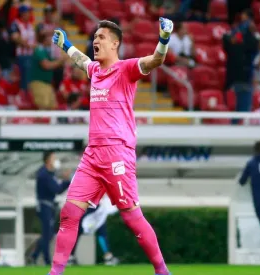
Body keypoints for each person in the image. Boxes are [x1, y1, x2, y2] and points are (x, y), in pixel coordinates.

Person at [47, 18, 174, 275]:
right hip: (92, 154)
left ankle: (162, 271)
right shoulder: (95, 70)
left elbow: (155, 61)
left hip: (118, 152)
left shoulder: (127, 68)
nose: (96, 40)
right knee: (70, 213)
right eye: (94, 37)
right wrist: (67, 45)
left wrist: (163, 39)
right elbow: (82, 61)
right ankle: (55, 272)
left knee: (131, 217)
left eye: (101, 37)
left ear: (115, 44)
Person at [30, 151, 72, 266]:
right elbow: (57, 189)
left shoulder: (48, 173)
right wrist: (66, 180)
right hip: (45, 207)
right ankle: (47, 261)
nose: (55, 160)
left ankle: (34, 256)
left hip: (48, 207)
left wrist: (65, 181)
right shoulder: (44, 175)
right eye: (54, 158)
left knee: (48, 234)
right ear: (48, 160)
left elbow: (57, 189)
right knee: (47, 234)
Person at [68, 195, 120, 266]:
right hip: (88, 208)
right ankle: (70, 257)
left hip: (94, 208)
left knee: (101, 232)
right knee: (77, 232)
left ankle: (108, 257)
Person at [30, 30, 66, 110]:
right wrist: (60, 61)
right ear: (44, 39)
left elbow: (54, 63)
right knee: (43, 106)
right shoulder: (39, 50)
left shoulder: (46, 52)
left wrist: (60, 61)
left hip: (47, 84)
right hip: (39, 83)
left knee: (52, 106)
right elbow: (46, 65)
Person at [10, 5, 36, 92]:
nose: (29, 14)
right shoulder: (16, 24)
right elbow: (15, 37)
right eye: (27, 12)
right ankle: (23, 91)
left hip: (31, 54)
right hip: (20, 55)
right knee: (26, 67)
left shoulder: (30, 25)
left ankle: (29, 91)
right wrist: (27, 45)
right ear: (22, 13)